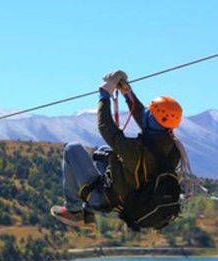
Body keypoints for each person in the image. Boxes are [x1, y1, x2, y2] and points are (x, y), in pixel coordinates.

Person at [51, 70, 183, 229]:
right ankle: (87, 210)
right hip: (130, 199)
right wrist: (127, 93)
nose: (146, 112)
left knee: (71, 149)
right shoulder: (172, 148)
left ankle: (74, 211)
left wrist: (104, 94)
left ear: (152, 118)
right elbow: (147, 120)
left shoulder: (135, 150)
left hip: (106, 199)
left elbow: (105, 127)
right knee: (103, 152)